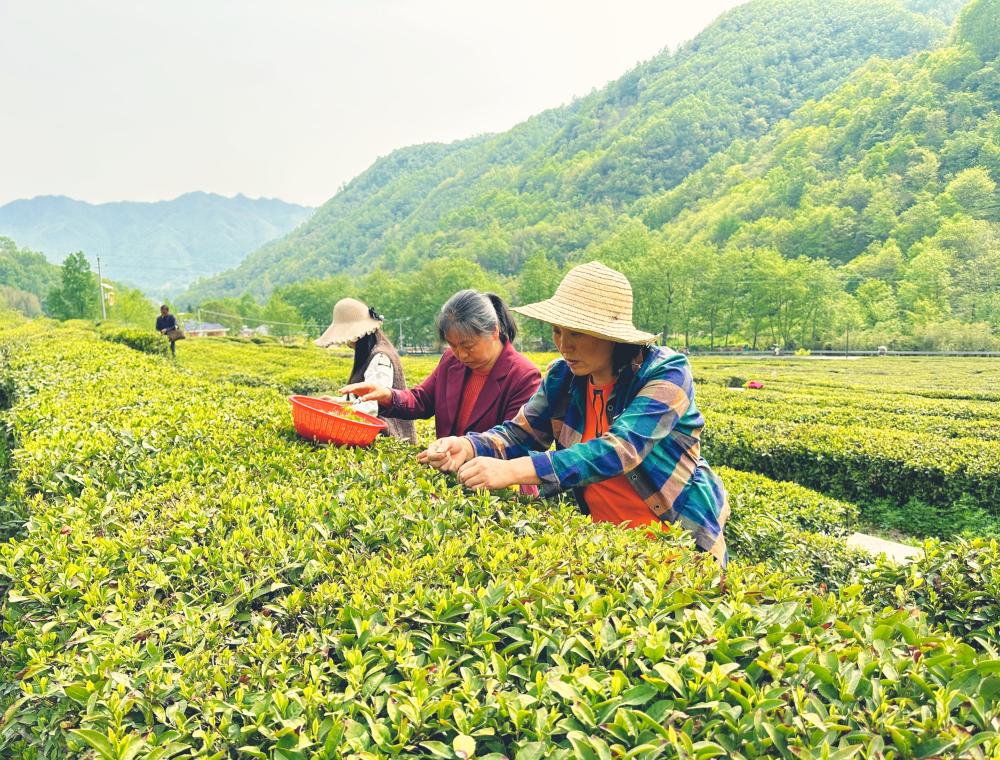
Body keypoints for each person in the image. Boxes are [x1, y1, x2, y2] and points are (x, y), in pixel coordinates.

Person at [421, 262, 729, 566]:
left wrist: (512, 471)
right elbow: (519, 434)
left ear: (610, 334)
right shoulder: (562, 379)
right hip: (606, 543)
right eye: (557, 331)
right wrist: (467, 445)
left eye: (577, 334)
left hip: (677, 541)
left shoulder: (666, 373)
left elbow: (621, 450)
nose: (564, 345)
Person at [340, 289, 541, 447]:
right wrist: (386, 395)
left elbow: (513, 441)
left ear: (494, 331)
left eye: (468, 346)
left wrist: (465, 446)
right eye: (453, 345)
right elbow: (422, 400)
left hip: (496, 489)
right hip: (451, 476)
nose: (461, 355)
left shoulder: (523, 376)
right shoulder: (451, 361)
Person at [315, 298, 417, 444]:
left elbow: (371, 406)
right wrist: (337, 403)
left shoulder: (381, 357)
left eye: (347, 338)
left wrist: (334, 414)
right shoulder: (372, 352)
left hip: (389, 439)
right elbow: (363, 399)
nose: (346, 342)